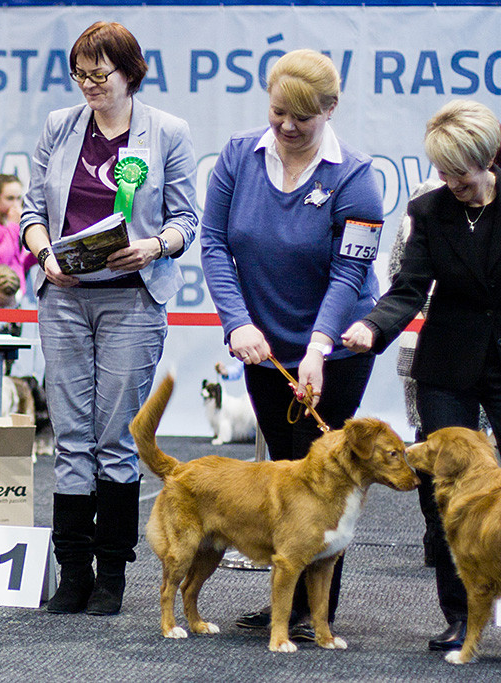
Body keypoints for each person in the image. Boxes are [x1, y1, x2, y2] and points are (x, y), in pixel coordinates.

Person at [200, 49, 384, 640]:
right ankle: (290, 598)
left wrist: (319, 346)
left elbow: (348, 274)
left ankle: (313, 613)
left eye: (302, 117)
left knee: (327, 475)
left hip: (337, 350)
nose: (285, 126)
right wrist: (236, 323)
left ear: (330, 109)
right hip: (264, 348)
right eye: (278, 112)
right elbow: (212, 246)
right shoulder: (237, 156)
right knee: (283, 470)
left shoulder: (355, 177)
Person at [21, 21, 198, 616]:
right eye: (81, 74)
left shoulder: (167, 132)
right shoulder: (59, 126)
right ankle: (71, 570)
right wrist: (46, 253)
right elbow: (30, 210)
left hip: (132, 297)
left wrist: (155, 245)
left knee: (114, 439)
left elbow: (187, 220)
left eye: (102, 74)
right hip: (64, 296)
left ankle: (113, 574)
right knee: (71, 438)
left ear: (130, 73)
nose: (91, 84)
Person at [341, 99, 501, 653]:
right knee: (441, 488)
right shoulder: (429, 211)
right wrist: (372, 328)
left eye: (460, 170)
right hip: (447, 363)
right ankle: (460, 616)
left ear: (487, 159)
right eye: (442, 169)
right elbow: (409, 287)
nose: (449, 180)